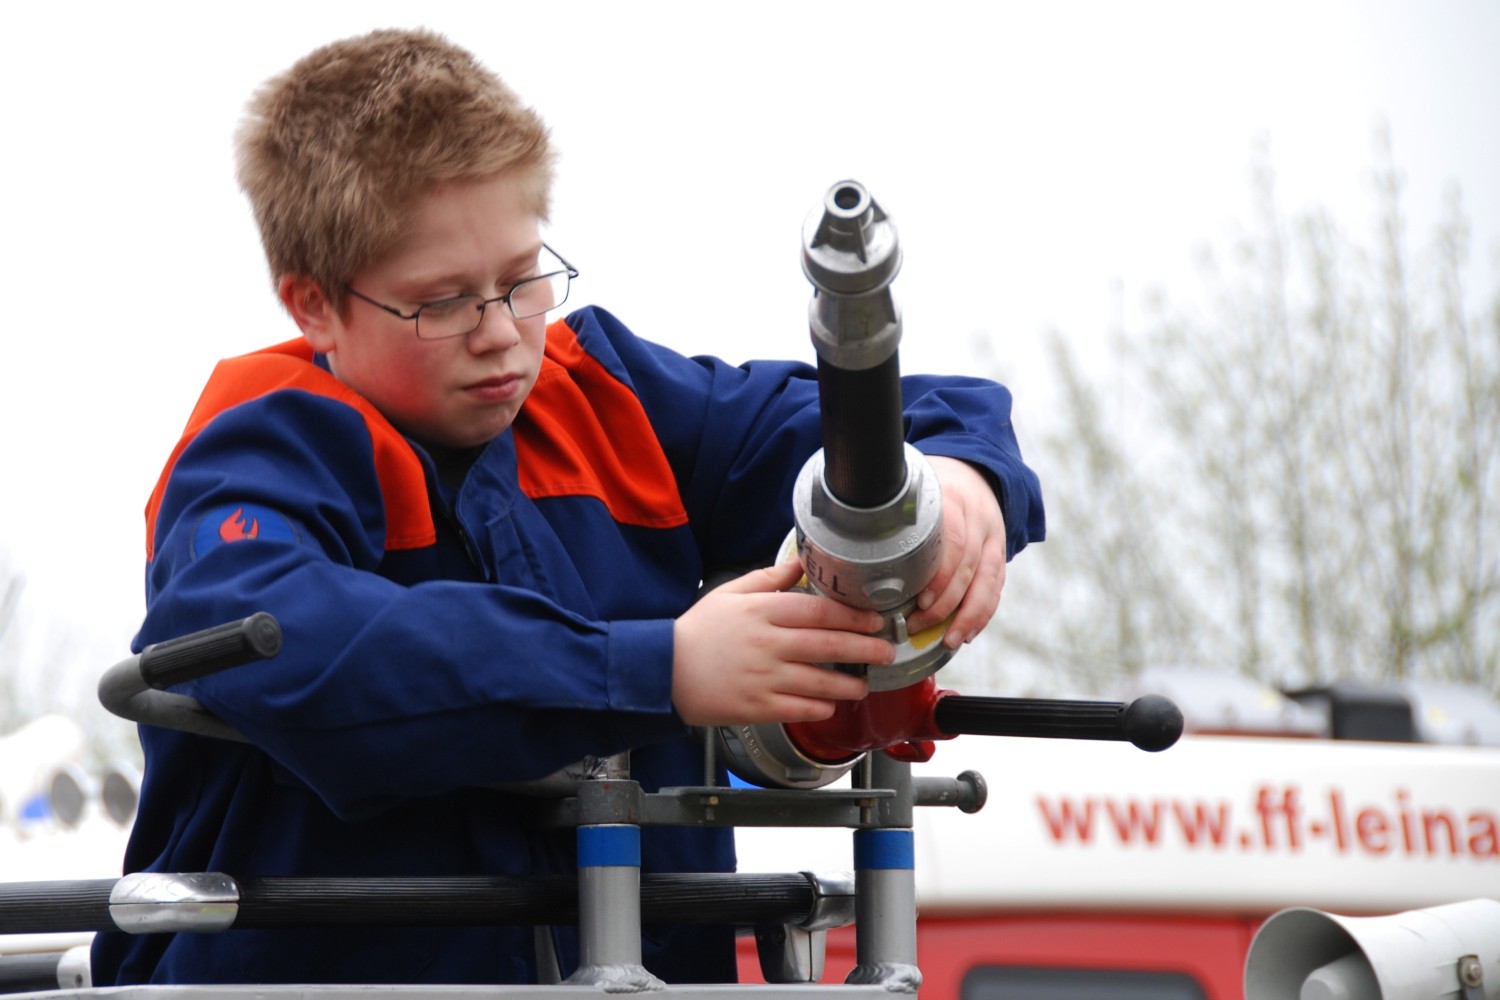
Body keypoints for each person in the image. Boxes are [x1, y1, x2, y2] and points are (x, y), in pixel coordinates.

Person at [92, 28, 1045, 987]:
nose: (503, 333)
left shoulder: (614, 400)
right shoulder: (254, 461)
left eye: (522, 279)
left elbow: (914, 414)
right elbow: (298, 647)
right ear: (314, 306)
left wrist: (959, 483)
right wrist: (663, 668)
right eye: (444, 302)